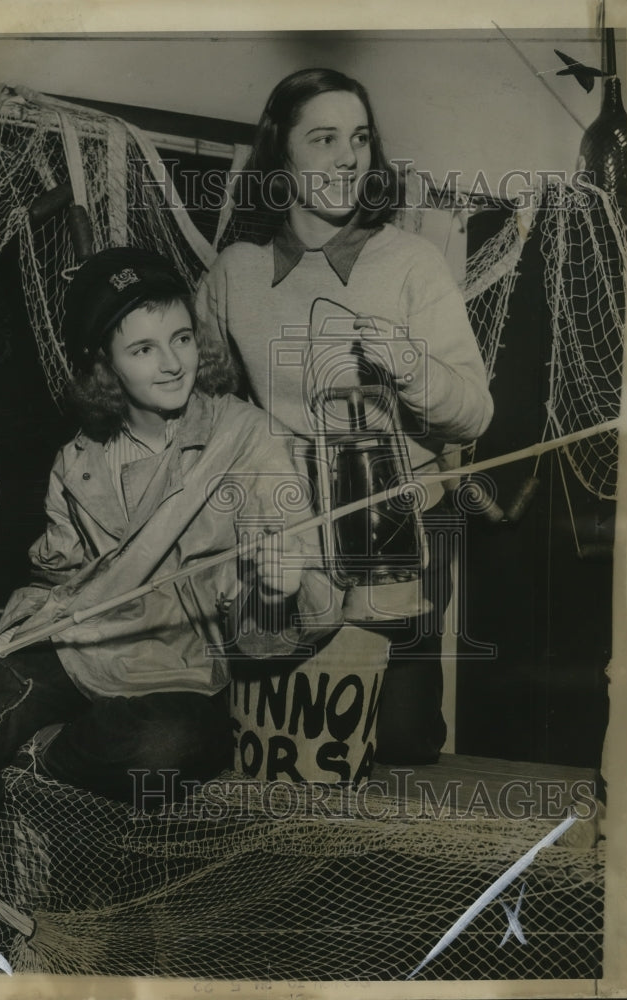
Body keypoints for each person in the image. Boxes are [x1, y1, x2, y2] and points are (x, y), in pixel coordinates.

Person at [0, 246, 341, 969]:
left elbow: (298, 617)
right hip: (62, 654)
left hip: (168, 670)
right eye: (144, 347)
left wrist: (271, 587)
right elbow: (53, 588)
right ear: (103, 363)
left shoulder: (245, 437)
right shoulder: (77, 461)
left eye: (183, 339)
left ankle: (26, 750)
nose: (173, 363)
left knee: (171, 749)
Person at [196, 68, 494, 765]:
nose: (347, 157)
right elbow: (199, 409)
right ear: (282, 157)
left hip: (393, 535)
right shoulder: (234, 272)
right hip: (282, 543)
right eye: (323, 138)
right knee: (279, 745)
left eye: (358, 138)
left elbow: (474, 413)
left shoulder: (412, 263)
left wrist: (414, 368)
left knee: (396, 745)